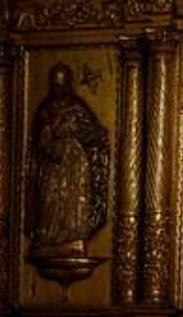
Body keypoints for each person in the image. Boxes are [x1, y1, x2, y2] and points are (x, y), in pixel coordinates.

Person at [26, 63, 109, 258]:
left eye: (62, 85)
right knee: (50, 198)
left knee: (73, 200)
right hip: (52, 164)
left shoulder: (77, 108)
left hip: (74, 163)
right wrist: (50, 140)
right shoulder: (46, 111)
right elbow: (40, 140)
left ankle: (73, 237)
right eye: (55, 85)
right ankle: (48, 238)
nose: (59, 90)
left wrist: (75, 130)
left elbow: (94, 134)